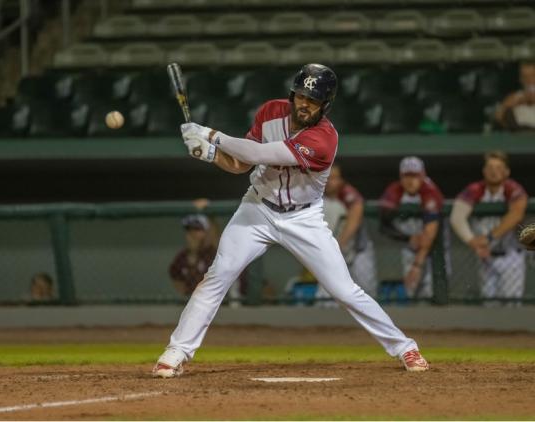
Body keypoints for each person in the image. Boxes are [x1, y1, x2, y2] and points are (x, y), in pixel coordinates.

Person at [152, 64, 429, 378]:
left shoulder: (324, 139)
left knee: (344, 290)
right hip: (257, 208)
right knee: (217, 275)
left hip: (304, 218)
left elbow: (260, 154)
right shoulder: (270, 111)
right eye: (301, 95)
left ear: (325, 105)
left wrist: (212, 136)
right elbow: (241, 163)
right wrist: (209, 154)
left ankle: (405, 347)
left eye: (313, 100)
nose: (304, 103)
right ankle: (176, 351)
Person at [450, 151, 528, 303]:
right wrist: (473, 242)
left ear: (507, 172)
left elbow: (517, 213)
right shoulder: (475, 189)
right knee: (488, 305)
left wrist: (489, 238)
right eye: (490, 167)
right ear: (484, 171)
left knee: (511, 306)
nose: (494, 171)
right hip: (485, 255)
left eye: (499, 167)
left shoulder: (513, 188)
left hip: (510, 256)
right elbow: (457, 217)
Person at [379, 156, 445, 300]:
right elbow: (384, 225)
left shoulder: (430, 191)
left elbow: (430, 233)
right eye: (406, 176)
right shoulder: (395, 190)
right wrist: (408, 238)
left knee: (433, 290)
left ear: (423, 175)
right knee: (411, 291)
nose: (410, 180)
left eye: (414, 176)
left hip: (435, 249)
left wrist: (417, 265)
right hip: (410, 246)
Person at [324, 164, 378, 297]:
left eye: (334, 178)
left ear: (341, 180)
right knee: (327, 296)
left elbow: (355, 216)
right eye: (327, 178)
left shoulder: (347, 193)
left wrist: (339, 245)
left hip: (358, 251)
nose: (330, 182)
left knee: (367, 291)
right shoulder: (316, 196)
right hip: (333, 254)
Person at [494, 62, 535, 131]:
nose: (528, 80)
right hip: (521, 135)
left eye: (532, 76)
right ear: (520, 79)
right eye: (524, 77)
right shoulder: (514, 97)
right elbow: (498, 118)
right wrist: (507, 106)